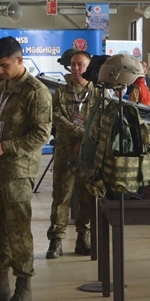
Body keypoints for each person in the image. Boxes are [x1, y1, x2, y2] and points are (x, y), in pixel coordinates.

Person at [0, 37, 52, 301]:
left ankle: (23, 286)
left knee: (17, 228)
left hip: (18, 169)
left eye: (4, 65)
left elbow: (42, 134)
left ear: (20, 60)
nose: (0, 70)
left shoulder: (36, 91)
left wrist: (6, 146)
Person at [47, 50, 101, 258]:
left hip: (88, 154)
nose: (76, 69)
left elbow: (101, 121)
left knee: (88, 196)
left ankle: (83, 237)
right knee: (61, 196)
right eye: (73, 64)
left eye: (80, 65)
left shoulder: (98, 93)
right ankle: (56, 240)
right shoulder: (60, 93)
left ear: (88, 67)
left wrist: (85, 139)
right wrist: (79, 134)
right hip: (65, 152)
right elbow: (56, 118)